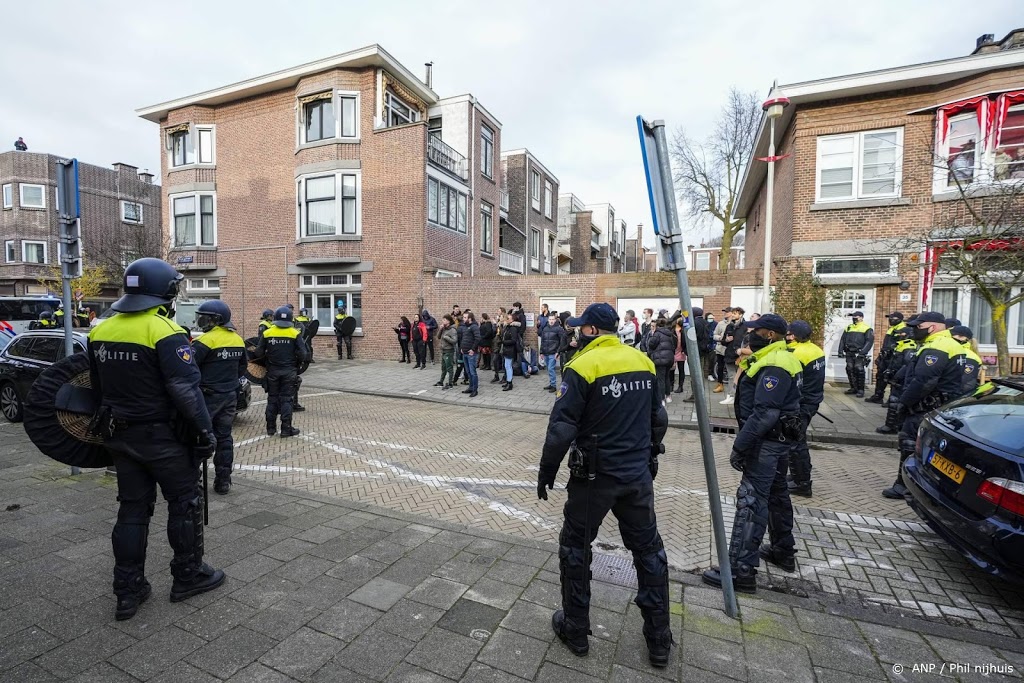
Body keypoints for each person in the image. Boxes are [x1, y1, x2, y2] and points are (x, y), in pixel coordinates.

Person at [87, 258, 224, 620]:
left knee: (132, 509)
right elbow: (185, 389)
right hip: (162, 438)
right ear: (165, 292)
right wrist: (205, 432)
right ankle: (188, 576)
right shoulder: (164, 331)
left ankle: (128, 590)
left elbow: (97, 388)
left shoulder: (101, 329)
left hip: (120, 436)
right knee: (185, 503)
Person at [537, 302, 672, 666]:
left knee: (576, 548)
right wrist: (651, 452)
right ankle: (659, 640)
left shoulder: (582, 366)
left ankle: (576, 629)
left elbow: (562, 427)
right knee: (649, 552)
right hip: (636, 476)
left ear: (592, 331)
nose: (577, 332)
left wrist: (547, 470)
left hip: (593, 479)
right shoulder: (642, 361)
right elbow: (658, 417)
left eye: (581, 328)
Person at [703, 313, 803, 592]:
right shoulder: (781, 356)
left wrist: (741, 445)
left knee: (751, 501)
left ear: (770, 334)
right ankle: (783, 550)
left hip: (766, 442)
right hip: (779, 439)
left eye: (755, 331)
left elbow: (764, 414)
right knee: (776, 494)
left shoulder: (774, 363)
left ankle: (740, 571)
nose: (750, 336)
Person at [882, 312, 966, 499]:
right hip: (941, 407)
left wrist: (903, 403)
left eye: (918, 327)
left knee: (910, 443)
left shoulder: (937, 347)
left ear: (933, 327)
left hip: (924, 407)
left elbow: (923, 382)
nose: (914, 330)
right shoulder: (947, 344)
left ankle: (904, 485)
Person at [191, 300, 246, 495]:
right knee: (224, 438)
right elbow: (242, 368)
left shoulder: (204, 341)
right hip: (229, 396)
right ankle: (223, 481)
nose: (201, 321)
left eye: (204, 318)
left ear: (215, 320)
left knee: (198, 437)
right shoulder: (237, 340)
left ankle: (192, 482)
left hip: (206, 397)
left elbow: (189, 369)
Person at [785, 320, 826, 498]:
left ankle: (802, 483)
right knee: (796, 440)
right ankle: (797, 475)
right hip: (812, 400)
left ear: (793, 336)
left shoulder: (795, 352)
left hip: (801, 403)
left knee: (796, 443)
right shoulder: (816, 349)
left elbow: (791, 380)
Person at [254, 306, 308, 438]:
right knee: (287, 400)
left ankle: (270, 428)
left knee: (272, 399)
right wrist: (296, 362)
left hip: (272, 372)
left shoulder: (267, 333)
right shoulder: (294, 333)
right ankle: (286, 429)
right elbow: (303, 354)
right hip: (289, 371)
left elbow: (258, 353)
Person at [875, 326, 918, 435]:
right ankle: (892, 425)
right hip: (896, 377)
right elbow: (894, 361)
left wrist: (896, 376)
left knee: (895, 402)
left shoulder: (910, 347)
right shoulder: (900, 345)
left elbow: (907, 365)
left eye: (902, 334)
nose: (899, 336)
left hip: (901, 379)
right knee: (893, 401)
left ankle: (893, 426)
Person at [865, 312, 905, 404]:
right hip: (885, 357)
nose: (890, 320)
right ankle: (878, 396)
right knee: (880, 376)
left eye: (892, 318)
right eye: (890, 318)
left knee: (892, 377)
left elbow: (899, 345)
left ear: (899, 319)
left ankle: (891, 399)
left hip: (894, 357)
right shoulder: (891, 329)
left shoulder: (903, 330)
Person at [838, 311, 874, 398]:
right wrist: (840, 351)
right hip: (849, 352)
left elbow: (869, 341)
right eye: (853, 316)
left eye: (856, 317)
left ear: (861, 317)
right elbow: (843, 340)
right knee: (849, 369)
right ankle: (853, 387)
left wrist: (863, 353)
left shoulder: (867, 328)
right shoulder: (849, 327)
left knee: (859, 369)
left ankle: (861, 389)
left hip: (859, 353)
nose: (854, 318)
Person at [646, 319, 676, 404]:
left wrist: (650, 353)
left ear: (657, 326)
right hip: (669, 359)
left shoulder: (657, 334)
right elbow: (673, 346)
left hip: (660, 359)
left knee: (660, 379)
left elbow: (651, 344)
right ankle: (668, 396)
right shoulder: (669, 334)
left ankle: (661, 399)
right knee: (667, 377)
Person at [949, 325, 982, 397]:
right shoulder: (971, 354)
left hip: (956, 398)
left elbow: (967, 384)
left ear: (961, 337)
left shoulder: (968, 356)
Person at [539, 313, 567, 392]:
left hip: (553, 353)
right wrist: (541, 352)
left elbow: (562, 341)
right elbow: (543, 341)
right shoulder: (545, 329)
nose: (551, 321)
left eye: (553, 319)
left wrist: (558, 352)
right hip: (546, 352)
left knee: (551, 368)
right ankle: (551, 384)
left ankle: (554, 386)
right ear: (548, 320)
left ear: (555, 320)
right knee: (549, 369)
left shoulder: (559, 329)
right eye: (550, 319)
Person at [459, 312, 481, 397]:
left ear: (470, 319)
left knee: (472, 372)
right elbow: (463, 338)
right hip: (464, 352)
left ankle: (475, 390)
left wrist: (473, 349)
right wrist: (462, 348)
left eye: (465, 317)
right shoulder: (465, 327)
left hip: (471, 354)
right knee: (468, 372)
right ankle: (470, 387)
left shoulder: (474, 327)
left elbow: (478, 338)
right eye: (463, 317)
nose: (463, 319)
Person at [435, 314, 458, 390]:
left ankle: (450, 383)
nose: (443, 321)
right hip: (443, 350)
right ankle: (441, 382)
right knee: (443, 367)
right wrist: (440, 329)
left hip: (449, 351)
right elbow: (438, 337)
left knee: (449, 368)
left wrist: (447, 338)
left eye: (444, 320)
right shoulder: (444, 329)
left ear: (448, 321)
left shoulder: (452, 330)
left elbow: (455, 341)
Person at [500, 312, 520, 391]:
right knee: (506, 366)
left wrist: (504, 342)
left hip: (510, 350)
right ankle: (508, 381)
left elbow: (513, 340)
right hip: (506, 349)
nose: (506, 320)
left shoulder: (513, 328)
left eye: (508, 319)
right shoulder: (508, 327)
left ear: (512, 320)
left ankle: (510, 383)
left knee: (508, 366)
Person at [490, 308, 507, 383]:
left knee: (505, 362)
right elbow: (494, 332)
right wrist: (495, 324)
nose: (498, 313)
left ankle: (505, 377)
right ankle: (496, 375)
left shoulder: (505, 323)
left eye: (499, 312)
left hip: (503, 344)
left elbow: (503, 333)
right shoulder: (498, 322)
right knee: (494, 360)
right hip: (497, 344)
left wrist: (496, 324)